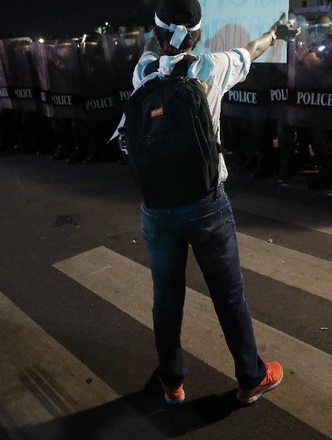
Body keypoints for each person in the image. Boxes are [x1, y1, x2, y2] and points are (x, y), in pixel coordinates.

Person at [126, 0, 295, 405]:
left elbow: (155, 48)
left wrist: (160, 37)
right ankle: (251, 378)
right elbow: (251, 50)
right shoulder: (212, 67)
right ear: (199, 34)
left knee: (166, 297)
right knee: (228, 295)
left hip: (157, 207)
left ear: (156, 33)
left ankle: (172, 381)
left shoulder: (143, 71)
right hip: (206, 205)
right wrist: (276, 34)